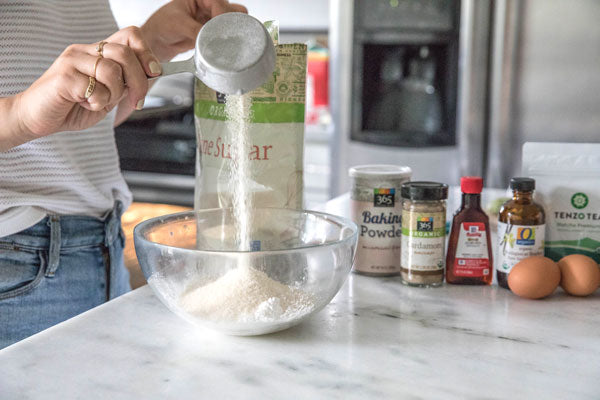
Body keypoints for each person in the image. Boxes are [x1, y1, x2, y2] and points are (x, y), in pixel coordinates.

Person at [0, 0, 246, 348]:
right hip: (15, 256)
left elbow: (78, 127)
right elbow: (30, 112)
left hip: (101, 245)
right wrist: (19, 113)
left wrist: (153, 44)